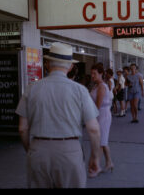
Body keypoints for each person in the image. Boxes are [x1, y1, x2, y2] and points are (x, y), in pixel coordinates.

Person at [15, 42, 101, 188]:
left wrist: (31, 149)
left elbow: (22, 128)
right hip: (69, 151)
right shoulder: (80, 90)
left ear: (47, 64)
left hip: (38, 150)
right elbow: (93, 129)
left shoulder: (31, 89)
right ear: (70, 66)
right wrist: (95, 157)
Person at [90, 64, 114, 176]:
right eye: (91, 73)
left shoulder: (101, 87)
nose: (92, 75)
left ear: (101, 74)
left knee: (100, 141)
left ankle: (97, 166)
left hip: (102, 115)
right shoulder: (96, 86)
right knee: (103, 141)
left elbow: (97, 106)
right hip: (100, 114)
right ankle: (109, 162)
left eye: (95, 73)